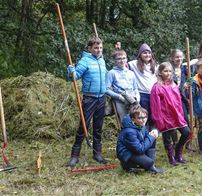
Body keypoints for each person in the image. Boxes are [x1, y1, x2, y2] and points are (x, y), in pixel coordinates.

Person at [66, 36, 108, 167]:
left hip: (101, 97)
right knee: (83, 126)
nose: (98, 50)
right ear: (90, 48)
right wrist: (71, 71)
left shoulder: (102, 60)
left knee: (98, 126)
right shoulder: (85, 60)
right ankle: (74, 156)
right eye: (96, 47)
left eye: (100, 47)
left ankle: (97, 153)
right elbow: (75, 76)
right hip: (89, 98)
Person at [150, 62, 190, 166]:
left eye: (169, 71)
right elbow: (155, 105)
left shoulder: (174, 85)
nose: (168, 73)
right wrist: (159, 119)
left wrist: (181, 113)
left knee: (186, 132)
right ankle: (171, 157)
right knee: (167, 137)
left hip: (177, 114)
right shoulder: (157, 87)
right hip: (165, 116)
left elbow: (178, 101)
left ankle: (178, 152)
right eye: (165, 71)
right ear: (160, 72)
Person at [116, 105, 164, 173]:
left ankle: (151, 167)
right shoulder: (129, 132)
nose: (143, 120)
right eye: (140, 118)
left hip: (135, 150)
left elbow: (147, 137)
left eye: (145, 117)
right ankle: (127, 165)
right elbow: (139, 149)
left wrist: (154, 132)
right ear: (133, 119)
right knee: (149, 162)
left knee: (152, 138)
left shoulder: (141, 125)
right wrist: (151, 137)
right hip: (127, 154)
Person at [105, 49, 140, 123]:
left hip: (133, 100)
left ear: (127, 59)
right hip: (120, 101)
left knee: (136, 121)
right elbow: (106, 89)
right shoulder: (111, 73)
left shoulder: (131, 73)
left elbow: (135, 88)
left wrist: (137, 98)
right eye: (119, 59)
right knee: (125, 122)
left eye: (124, 58)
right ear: (114, 60)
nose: (122, 61)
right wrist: (119, 97)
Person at [129, 43, 158, 128]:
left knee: (153, 118)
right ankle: (143, 138)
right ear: (140, 54)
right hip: (142, 94)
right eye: (144, 53)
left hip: (153, 95)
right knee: (143, 117)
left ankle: (152, 139)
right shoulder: (134, 64)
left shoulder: (155, 65)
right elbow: (122, 65)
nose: (147, 55)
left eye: (149, 53)